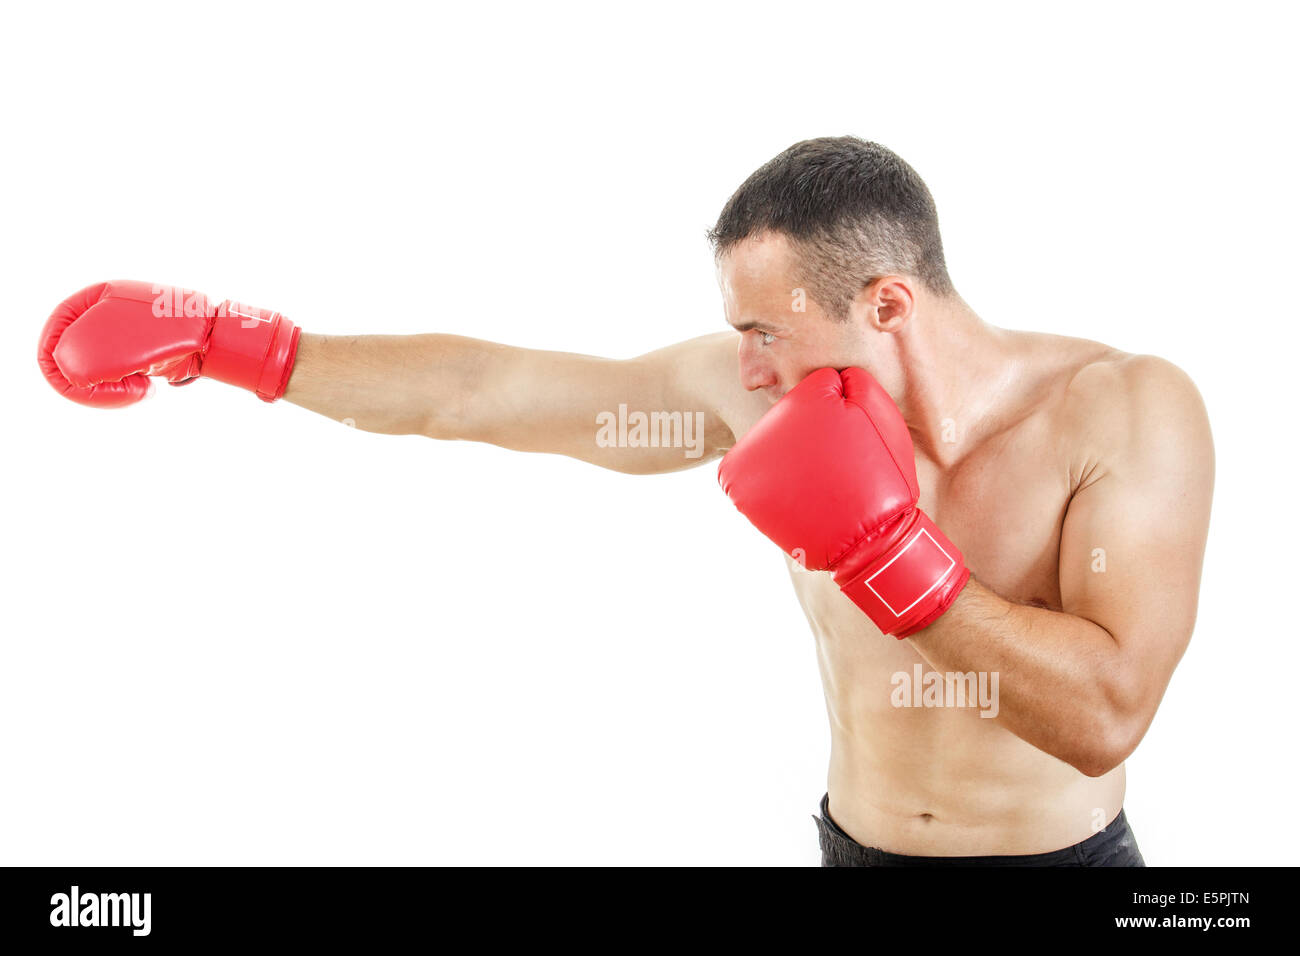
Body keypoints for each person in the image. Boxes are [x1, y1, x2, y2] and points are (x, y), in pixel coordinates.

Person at [37, 136, 1213, 866]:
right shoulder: (762, 397)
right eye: (733, 330)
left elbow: (1106, 711)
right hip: (851, 852)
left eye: (766, 332)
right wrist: (246, 348)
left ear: (889, 303)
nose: (744, 368)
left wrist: (891, 552)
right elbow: (485, 391)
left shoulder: (1120, 409)